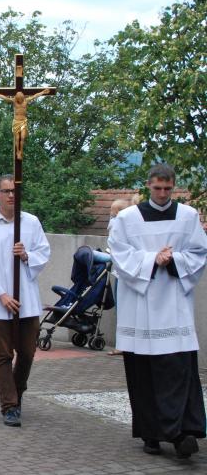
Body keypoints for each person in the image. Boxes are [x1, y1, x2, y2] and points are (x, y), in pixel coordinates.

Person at [109, 164, 207, 458]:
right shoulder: (127, 218)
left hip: (174, 305)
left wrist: (173, 259)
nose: (163, 194)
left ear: (173, 187)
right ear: (148, 186)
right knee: (143, 374)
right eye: (157, 188)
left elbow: (199, 252)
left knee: (178, 371)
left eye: (168, 189)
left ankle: (182, 432)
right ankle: (150, 433)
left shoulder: (188, 216)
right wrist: (153, 259)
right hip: (140, 307)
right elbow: (119, 254)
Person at [0, 174, 50, 428]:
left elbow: (44, 251)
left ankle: (17, 393)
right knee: (4, 353)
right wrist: (2, 295)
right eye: (5, 191)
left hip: (26, 297)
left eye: (14, 191)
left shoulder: (31, 222)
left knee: (27, 352)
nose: (10, 195)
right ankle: (9, 405)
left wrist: (27, 255)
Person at [107, 198, 131, 356]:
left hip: (121, 272)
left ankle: (122, 344)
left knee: (122, 308)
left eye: (113, 211)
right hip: (122, 271)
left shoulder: (117, 224)